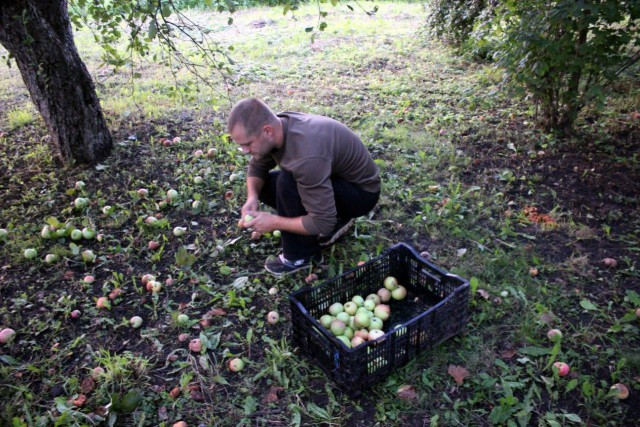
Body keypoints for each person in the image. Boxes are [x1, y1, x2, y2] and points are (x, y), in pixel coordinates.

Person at [227, 97, 381, 276]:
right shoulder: (279, 128)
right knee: (267, 185)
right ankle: (335, 216)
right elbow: (257, 166)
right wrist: (252, 197)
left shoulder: (305, 156)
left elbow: (323, 222)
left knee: (287, 183)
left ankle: (302, 256)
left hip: (361, 193)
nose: (245, 151)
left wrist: (275, 222)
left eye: (247, 144)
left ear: (267, 131)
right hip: (332, 178)